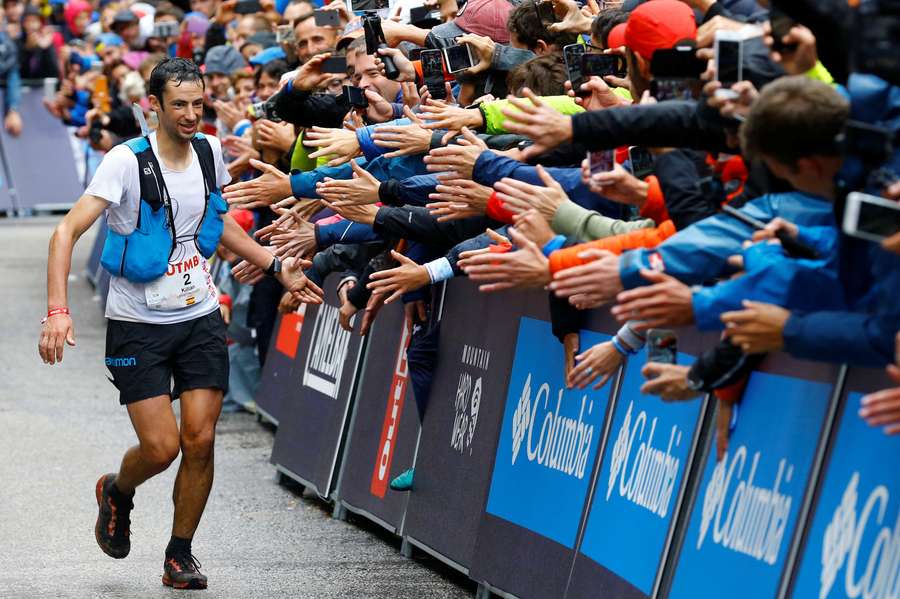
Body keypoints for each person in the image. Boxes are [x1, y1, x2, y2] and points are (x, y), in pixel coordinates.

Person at [38, 57, 322, 590]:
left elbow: (212, 227)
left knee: (200, 439)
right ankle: (118, 491)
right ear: (154, 106)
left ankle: (179, 552)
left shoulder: (211, 151)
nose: (191, 115)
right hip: (137, 325)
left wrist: (276, 265)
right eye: (179, 106)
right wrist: (58, 310)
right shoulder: (125, 163)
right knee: (162, 448)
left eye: (198, 104)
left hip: (198, 317)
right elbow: (65, 233)